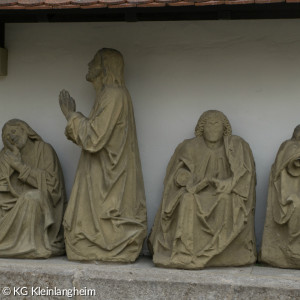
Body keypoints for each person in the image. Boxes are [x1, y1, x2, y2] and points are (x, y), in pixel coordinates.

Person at [59, 48, 147, 262]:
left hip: (108, 172)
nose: (89, 64)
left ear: (105, 67)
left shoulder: (114, 95)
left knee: (105, 215)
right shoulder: (108, 94)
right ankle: (94, 243)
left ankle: (108, 246)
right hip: (101, 168)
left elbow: (94, 138)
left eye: (95, 61)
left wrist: (71, 115)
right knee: (90, 220)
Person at [148, 110, 257, 269]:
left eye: (216, 124)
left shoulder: (235, 146)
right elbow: (177, 173)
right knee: (187, 199)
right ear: (201, 128)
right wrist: (185, 178)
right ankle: (184, 250)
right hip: (196, 192)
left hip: (222, 193)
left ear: (224, 129)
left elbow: (243, 174)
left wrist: (229, 183)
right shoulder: (190, 147)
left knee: (227, 199)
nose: (212, 129)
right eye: (208, 125)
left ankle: (220, 250)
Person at [0, 119, 66, 258]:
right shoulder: (5, 156)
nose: (10, 137)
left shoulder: (44, 150)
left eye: (13, 131)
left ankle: (31, 245)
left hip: (40, 205)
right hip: (9, 207)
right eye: (6, 136)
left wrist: (20, 167)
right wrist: (8, 168)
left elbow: (52, 186)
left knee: (33, 197)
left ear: (25, 130)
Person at [261, 125, 300, 268]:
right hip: (290, 191)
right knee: (297, 205)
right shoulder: (289, 146)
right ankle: (293, 245)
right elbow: (279, 170)